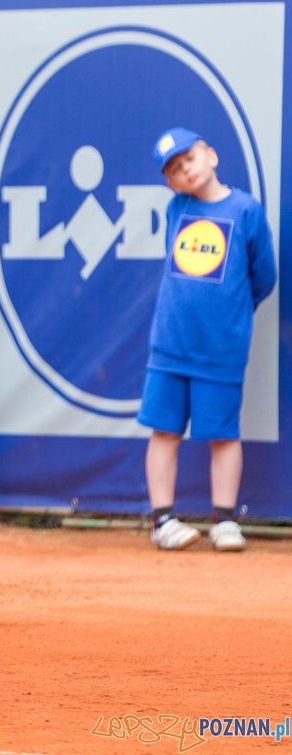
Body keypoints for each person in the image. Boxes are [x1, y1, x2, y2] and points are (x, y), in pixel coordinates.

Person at [141, 128, 276, 552]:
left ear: (211, 156)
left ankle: (225, 521)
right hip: (170, 346)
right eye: (174, 169)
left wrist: (231, 314)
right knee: (164, 431)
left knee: (224, 435)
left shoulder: (247, 210)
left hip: (222, 350)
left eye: (190, 159)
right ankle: (163, 521)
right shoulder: (176, 208)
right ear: (171, 183)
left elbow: (264, 276)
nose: (186, 170)